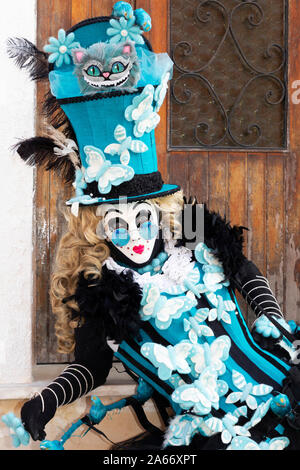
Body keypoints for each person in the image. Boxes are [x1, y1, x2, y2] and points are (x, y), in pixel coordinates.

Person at [8, 2, 300, 451]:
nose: (135, 233)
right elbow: (92, 367)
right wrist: (46, 398)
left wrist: (272, 319)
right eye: (117, 223)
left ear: (159, 208)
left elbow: (244, 272)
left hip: (281, 381)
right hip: (212, 434)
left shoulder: (192, 226)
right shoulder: (98, 286)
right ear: (97, 226)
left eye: (143, 216)